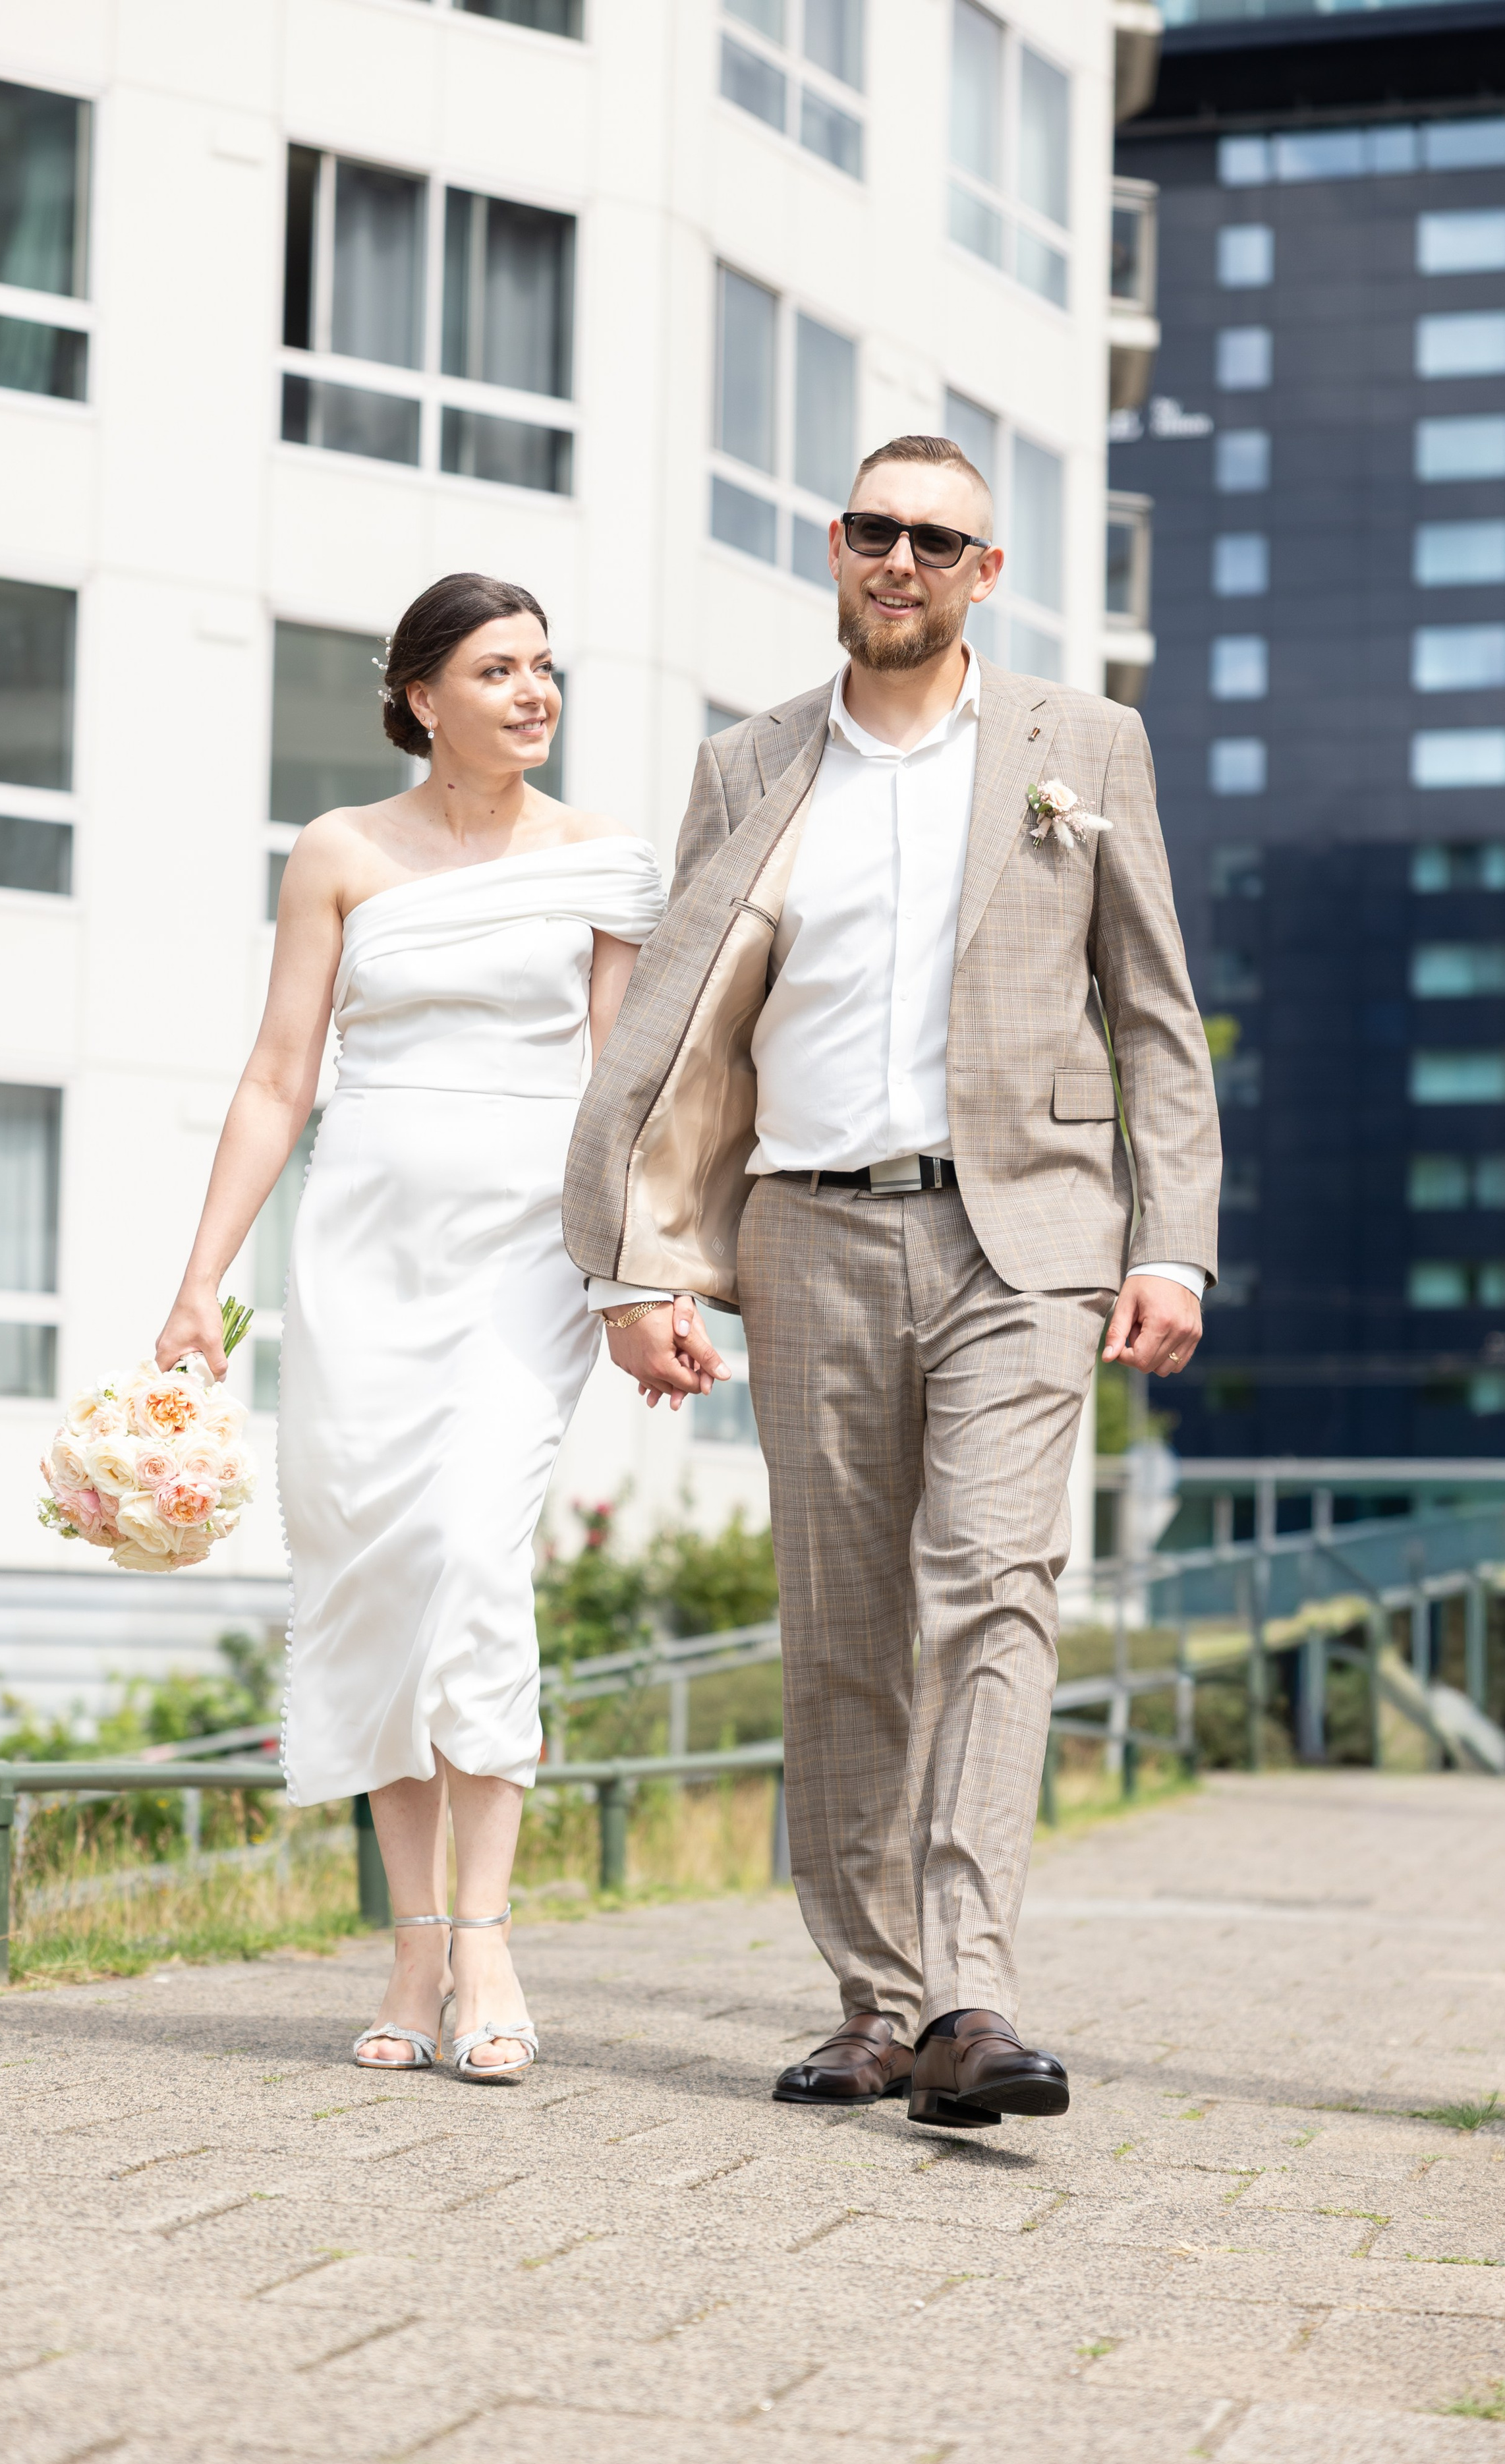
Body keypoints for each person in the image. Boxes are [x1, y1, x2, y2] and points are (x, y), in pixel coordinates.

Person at [563, 435, 1220, 2129]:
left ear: (984, 574)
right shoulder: (750, 763)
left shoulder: (1084, 746)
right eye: (876, 531)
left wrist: (1167, 1240)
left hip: (1028, 1237)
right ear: (834, 546)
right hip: (805, 1232)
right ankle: (873, 2002)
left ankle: (967, 1997)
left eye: (937, 539)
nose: (902, 561)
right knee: (841, 1621)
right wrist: (642, 1265)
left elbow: (1153, 1014)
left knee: (993, 1583)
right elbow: (687, 1029)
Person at [156, 573, 666, 2083]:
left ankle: (488, 1936)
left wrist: (641, 1285)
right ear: (419, 694)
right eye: (496, 669)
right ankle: (413, 1948)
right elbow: (278, 1077)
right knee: (380, 1574)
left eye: (544, 667)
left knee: (466, 1555)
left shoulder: (601, 858)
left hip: (525, 1255)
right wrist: (199, 1285)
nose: (532, 692)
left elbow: (622, 1097)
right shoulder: (339, 850)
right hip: (362, 1251)